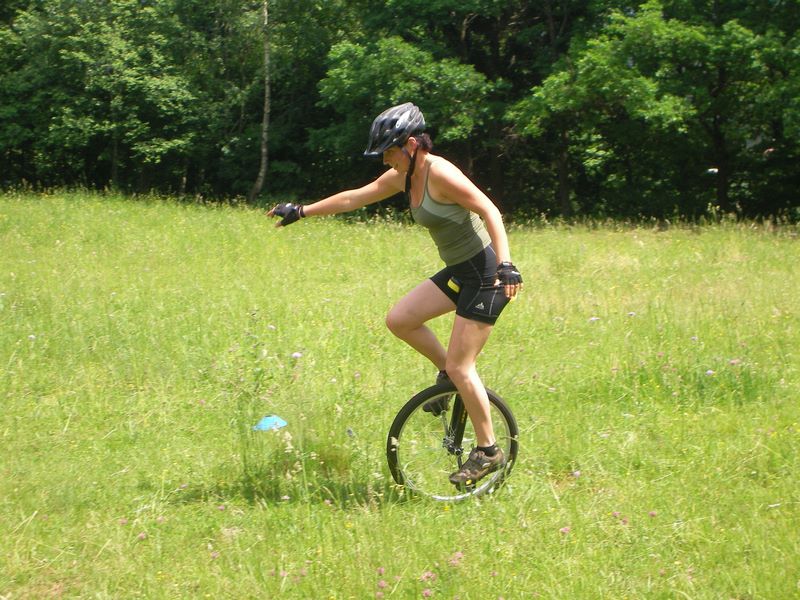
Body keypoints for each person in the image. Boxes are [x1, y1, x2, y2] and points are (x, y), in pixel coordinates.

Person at [268, 103, 522, 486]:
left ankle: (488, 450)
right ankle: (450, 377)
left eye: (389, 151)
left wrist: (506, 264)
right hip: (461, 273)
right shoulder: (403, 175)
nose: (385, 159)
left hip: (488, 276)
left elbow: (490, 209)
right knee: (400, 319)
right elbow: (355, 198)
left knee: (462, 366)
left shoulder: (440, 173)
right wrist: (302, 211)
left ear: (412, 144)